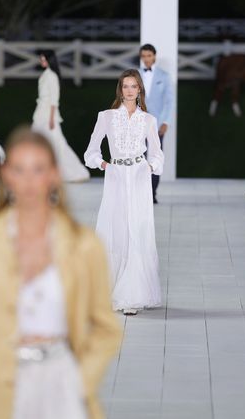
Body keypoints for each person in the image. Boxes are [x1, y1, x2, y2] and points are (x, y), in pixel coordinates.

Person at [0, 127, 121, 419]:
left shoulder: (83, 246)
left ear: (54, 175)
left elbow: (106, 328)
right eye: (20, 170)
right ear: (7, 174)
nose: (29, 181)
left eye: (39, 169)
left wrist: (80, 380)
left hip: (63, 388)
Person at [84, 69, 164, 315]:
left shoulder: (148, 120)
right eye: (125, 86)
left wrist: (150, 168)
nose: (129, 90)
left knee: (137, 229)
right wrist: (105, 165)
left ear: (140, 89)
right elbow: (91, 152)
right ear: (121, 89)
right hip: (116, 177)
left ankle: (131, 295)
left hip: (139, 178)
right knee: (115, 228)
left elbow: (157, 152)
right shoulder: (106, 117)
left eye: (134, 86)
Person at [31, 51, 90, 183]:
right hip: (41, 112)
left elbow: (54, 99)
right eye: (41, 59)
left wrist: (52, 117)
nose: (42, 61)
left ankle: (74, 171)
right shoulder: (46, 75)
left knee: (57, 143)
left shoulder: (52, 76)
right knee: (37, 142)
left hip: (48, 114)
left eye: (43, 59)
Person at [137, 44, 173, 204]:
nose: (146, 59)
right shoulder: (135, 75)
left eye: (149, 56)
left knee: (155, 158)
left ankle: (152, 192)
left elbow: (169, 101)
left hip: (157, 124)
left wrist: (166, 122)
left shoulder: (164, 76)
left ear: (154, 56)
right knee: (137, 157)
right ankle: (138, 192)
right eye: (143, 56)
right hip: (137, 123)